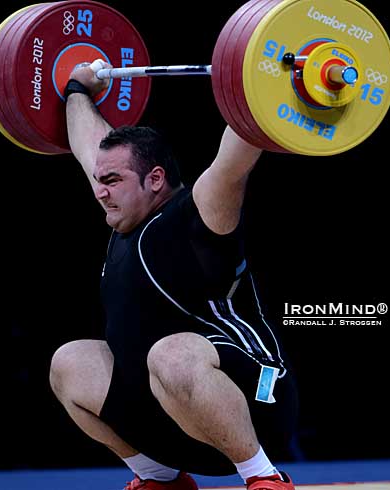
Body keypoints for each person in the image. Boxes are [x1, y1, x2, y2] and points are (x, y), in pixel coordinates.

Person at [49, 59, 299, 490]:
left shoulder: (198, 217)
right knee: (70, 362)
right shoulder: (125, 210)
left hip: (258, 403)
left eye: (111, 179)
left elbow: (236, 155)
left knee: (171, 354)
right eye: (98, 179)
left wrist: (270, 80)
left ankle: (264, 478)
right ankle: (160, 478)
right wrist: (77, 88)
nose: (99, 190)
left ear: (155, 179)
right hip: (175, 418)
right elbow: (86, 144)